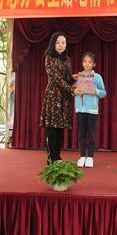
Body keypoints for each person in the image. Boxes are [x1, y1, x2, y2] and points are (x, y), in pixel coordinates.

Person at [40, 32, 75, 163]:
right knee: (52, 128)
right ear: (53, 44)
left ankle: (57, 157)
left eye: (63, 42)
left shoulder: (66, 59)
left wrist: (77, 78)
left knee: (60, 128)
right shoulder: (49, 58)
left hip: (64, 98)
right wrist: (72, 89)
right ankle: (52, 158)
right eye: (58, 42)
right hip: (53, 96)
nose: (61, 45)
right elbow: (57, 79)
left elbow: (67, 78)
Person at [74, 51, 106, 168]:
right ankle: (82, 156)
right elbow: (73, 91)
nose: (87, 64)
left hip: (92, 110)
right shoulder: (78, 76)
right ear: (82, 62)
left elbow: (103, 93)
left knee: (91, 134)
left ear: (94, 64)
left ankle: (90, 157)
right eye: (85, 61)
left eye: (90, 62)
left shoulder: (97, 77)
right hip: (80, 109)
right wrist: (75, 91)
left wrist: (95, 91)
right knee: (81, 134)